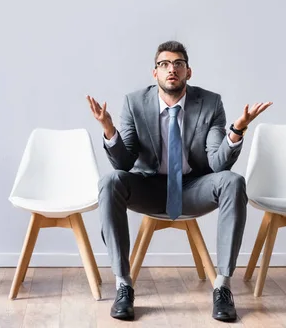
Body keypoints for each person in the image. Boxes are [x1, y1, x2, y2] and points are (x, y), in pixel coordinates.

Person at [87, 40, 272, 322]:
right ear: (155, 73)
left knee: (233, 181)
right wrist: (109, 129)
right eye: (164, 64)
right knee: (110, 181)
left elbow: (217, 164)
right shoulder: (134, 103)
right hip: (148, 186)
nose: (171, 69)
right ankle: (123, 284)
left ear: (188, 72)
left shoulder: (210, 103)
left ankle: (222, 287)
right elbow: (123, 164)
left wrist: (237, 130)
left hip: (192, 187)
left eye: (178, 64)